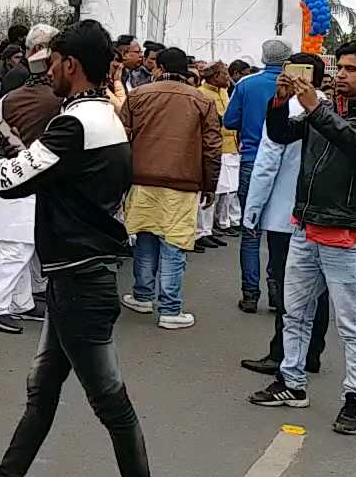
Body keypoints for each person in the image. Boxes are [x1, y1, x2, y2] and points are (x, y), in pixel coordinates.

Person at [0, 20, 151, 477]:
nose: (45, 71)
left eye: (51, 62)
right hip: (79, 274)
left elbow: (8, 180)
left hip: (79, 280)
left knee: (111, 403)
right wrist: (10, 146)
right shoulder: (104, 116)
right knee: (42, 390)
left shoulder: (75, 123)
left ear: (70, 64)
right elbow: (52, 171)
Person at [248, 41, 356, 437]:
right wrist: (281, 102)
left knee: (351, 323)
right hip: (306, 224)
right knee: (293, 310)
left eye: (352, 70)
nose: (342, 75)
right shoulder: (326, 109)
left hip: (345, 233)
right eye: (341, 68)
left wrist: (317, 107)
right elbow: (282, 134)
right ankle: (291, 382)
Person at [239, 53, 329, 379]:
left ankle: (282, 353)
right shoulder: (327, 108)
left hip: (285, 212)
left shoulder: (289, 109)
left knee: (289, 288)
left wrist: (252, 209)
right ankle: (311, 352)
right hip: (316, 212)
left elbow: (267, 163)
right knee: (317, 288)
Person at [120, 48, 221, 330]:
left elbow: (122, 137)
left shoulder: (138, 95)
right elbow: (212, 147)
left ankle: (142, 296)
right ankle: (170, 309)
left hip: (141, 180)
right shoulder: (201, 100)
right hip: (183, 183)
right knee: (174, 243)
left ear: (159, 67)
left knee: (146, 237)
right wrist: (209, 185)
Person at [0, 25, 61, 334]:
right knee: (19, 249)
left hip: (11, 174)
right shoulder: (59, 100)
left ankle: (20, 302)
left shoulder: (9, 98)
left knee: (22, 246)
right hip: (37, 178)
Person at [225, 38, 292, 313]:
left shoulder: (245, 84)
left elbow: (229, 121)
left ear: (263, 57)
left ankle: (250, 293)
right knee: (279, 232)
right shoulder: (298, 88)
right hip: (286, 166)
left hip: (252, 159)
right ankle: (277, 291)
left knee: (250, 229)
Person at [195, 63, 236, 250]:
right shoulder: (202, 93)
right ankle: (199, 232)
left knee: (223, 191)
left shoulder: (224, 92)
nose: (227, 78)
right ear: (213, 76)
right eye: (224, 75)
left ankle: (208, 229)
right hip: (213, 148)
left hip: (229, 146)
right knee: (209, 191)